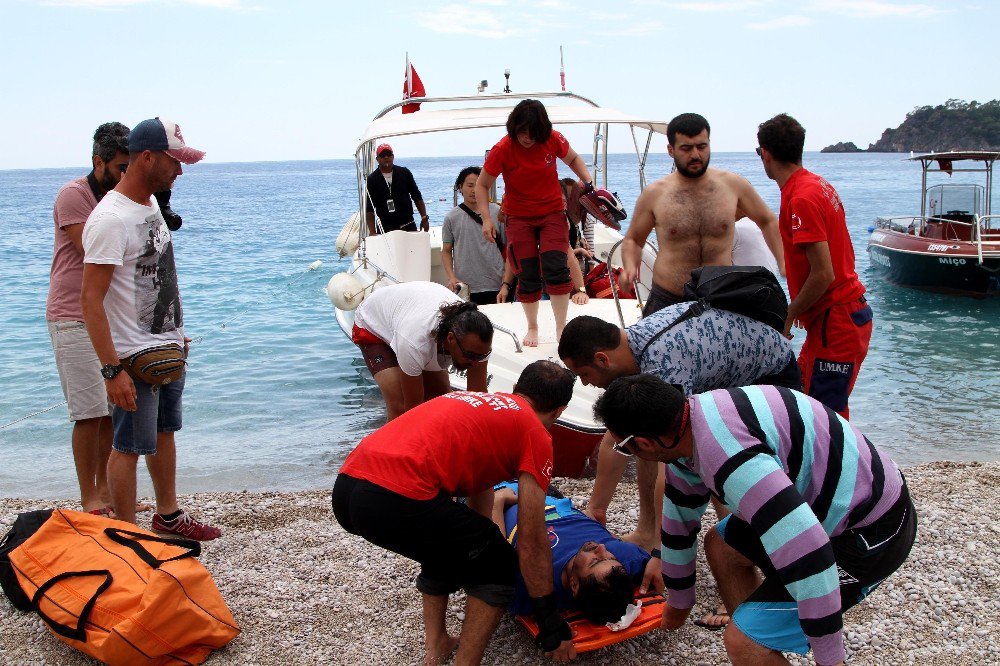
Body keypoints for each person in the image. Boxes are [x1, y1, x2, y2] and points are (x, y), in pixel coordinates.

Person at [594, 375, 916, 666]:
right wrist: (679, 603)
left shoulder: (730, 457)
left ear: (647, 444)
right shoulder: (688, 428)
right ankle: (759, 638)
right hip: (830, 503)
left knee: (741, 641)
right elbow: (679, 519)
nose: (628, 454)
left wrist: (830, 659)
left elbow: (811, 553)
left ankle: (754, 643)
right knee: (720, 546)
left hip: (874, 530)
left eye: (624, 448)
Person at [332, 360, 578, 665]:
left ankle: (437, 646)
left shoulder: (476, 402)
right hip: (392, 498)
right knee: (501, 565)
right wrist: (550, 622)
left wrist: (484, 548)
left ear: (516, 389)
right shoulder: (536, 433)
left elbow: (478, 507)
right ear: (559, 411)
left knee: (451, 540)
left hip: (346, 489)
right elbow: (532, 538)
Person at [557, 307, 801, 550]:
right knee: (643, 433)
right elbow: (619, 436)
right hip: (725, 368)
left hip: (772, 372)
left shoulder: (664, 364)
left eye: (584, 374)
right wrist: (596, 510)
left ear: (602, 359)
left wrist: (662, 552)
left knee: (706, 453)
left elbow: (672, 459)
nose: (586, 383)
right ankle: (647, 531)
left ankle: (739, 540)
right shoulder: (630, 344)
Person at [80, 117, 219, 540]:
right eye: (174, 161)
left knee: (164, 432)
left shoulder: (151, 204)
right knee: (128, 446)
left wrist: (175, 332)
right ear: (146, 158)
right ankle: (128, 536)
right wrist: (111, 370)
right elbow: (90, 302)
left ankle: (168, 515)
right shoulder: (109, 220)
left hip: (165, 345)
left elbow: (151, 277)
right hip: (131, 356)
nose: (179, 170)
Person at [757, 114, 873, 418]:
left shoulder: (802, 198)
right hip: (835, 316)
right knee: (803, 399)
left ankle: (841, 465)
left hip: (837, 319)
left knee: (826, 416)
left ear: (765, 154)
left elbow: (824, 273)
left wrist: (791, 312)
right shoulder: (815, 185)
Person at [46, 122, 130, 515]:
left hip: (107, 315)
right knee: (89, 413)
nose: (125, 175)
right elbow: (91, 247)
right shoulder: (74, 195)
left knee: (112, 410)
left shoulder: (121, 197)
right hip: (72, 313)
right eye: (119, 168)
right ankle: (90, 498)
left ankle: (108, 492)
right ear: (99, 162)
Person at [621, 113, 784, 316]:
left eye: (702, 146)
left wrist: (783, 262)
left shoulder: (733, 186)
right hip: (668, 297)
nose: (696, 155)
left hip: (720, 297)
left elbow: (767, 220)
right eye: (686, 148)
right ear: (670, 150)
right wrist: (629, 268)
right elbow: (634, 240)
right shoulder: (655, 194)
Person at [476, 99, 595, 346]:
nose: (527, 139)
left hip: (552, 212)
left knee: (555, 267)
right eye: (522, 133)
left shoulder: (552, 138)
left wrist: (589, 183)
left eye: (533, 134)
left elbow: (573, 159)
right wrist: (487, 219)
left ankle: (561, 327)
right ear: (514, 128)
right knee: (527, 272)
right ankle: (532, 327)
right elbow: (482, 184)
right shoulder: (503, 148)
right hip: (518, 216)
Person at [490, 482, 662, 625]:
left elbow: (492, 555)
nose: (601, 548)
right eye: (611, 557)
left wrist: (498, 500)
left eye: (594, 561)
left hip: (497, 496)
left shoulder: (529, 585)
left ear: (574, 585)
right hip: (547, 495)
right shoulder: (628, 560)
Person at [351, 281, 493, 421]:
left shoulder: (478, 341)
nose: (475, 363)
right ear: (451, 339)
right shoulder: (415, 342)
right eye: (470, 356)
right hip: (374, 325)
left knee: (442, 402)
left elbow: (477, 401)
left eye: (481, 357)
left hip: (410, 316)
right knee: (401, 410)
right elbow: (412, 412)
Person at [442, 166, 506, 305]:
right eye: (469, 185)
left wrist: (507, 282)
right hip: (466, 286)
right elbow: (446, 251)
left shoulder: (497, 212)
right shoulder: (451, 217)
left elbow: (508, 247)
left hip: (496, 283)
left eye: (478, 185)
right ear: (460, 187)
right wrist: (451, 277)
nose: (473, 190)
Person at [364, 143, 429, 234]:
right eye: (382, 155)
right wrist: (372, 232)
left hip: (408, 224)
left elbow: (417, 196)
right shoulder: (372, 179)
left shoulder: (404, 173)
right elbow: (369, 208)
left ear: (393, 156)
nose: (386, 157)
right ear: (377, 159)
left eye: (389, 154)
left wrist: (424, 218)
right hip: (385, 227)